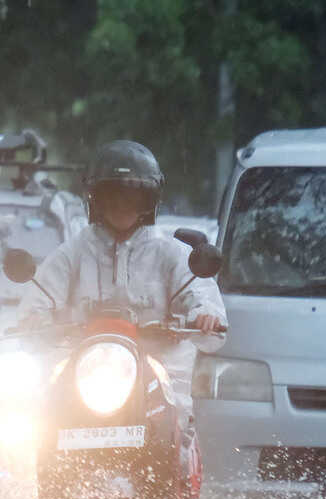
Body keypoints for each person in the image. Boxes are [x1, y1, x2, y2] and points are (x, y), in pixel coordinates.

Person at [16, 139, 227, 427]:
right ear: (94, 199)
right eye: (111, 195)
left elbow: (200, 297)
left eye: (133, 197)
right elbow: (38, 299)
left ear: (150, 200)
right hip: (84, 375)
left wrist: (205, 316)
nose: (122, 206)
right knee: (40, 428)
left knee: (177, 431)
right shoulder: (73, 252)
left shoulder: (172, 254)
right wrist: (33, 321)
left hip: (160, 379)